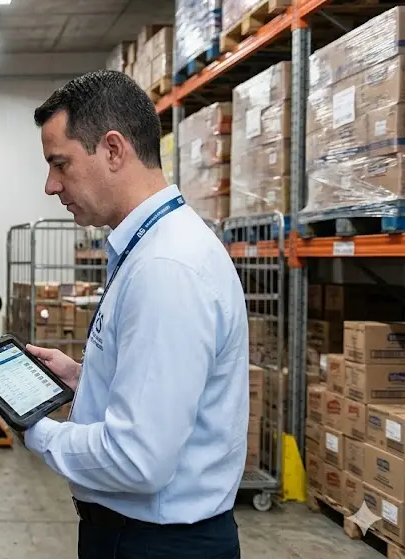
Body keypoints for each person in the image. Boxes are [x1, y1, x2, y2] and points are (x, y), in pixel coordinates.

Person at [22, 70, 249, 558]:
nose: (50, 185)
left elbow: (138, 459)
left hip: (157, 542)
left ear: (112, 149)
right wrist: (86, 381)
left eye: (60, 164)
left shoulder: (166, 268)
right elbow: (163, 396)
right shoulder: (152, 248)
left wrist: (33, 430)